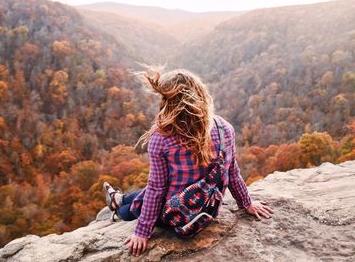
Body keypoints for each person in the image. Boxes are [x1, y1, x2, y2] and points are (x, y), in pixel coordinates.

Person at [103, 67, 274, 257]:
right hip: (207, 209)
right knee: (152, 192)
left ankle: (119, 207)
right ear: (201, 96)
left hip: (177, 215)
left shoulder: (162, 137)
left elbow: (157, 189)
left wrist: (142, 232)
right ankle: (118, 198)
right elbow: (232, 171)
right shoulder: (224, 128)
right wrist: (246, 203)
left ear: (168, 103)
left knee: (135, 206)